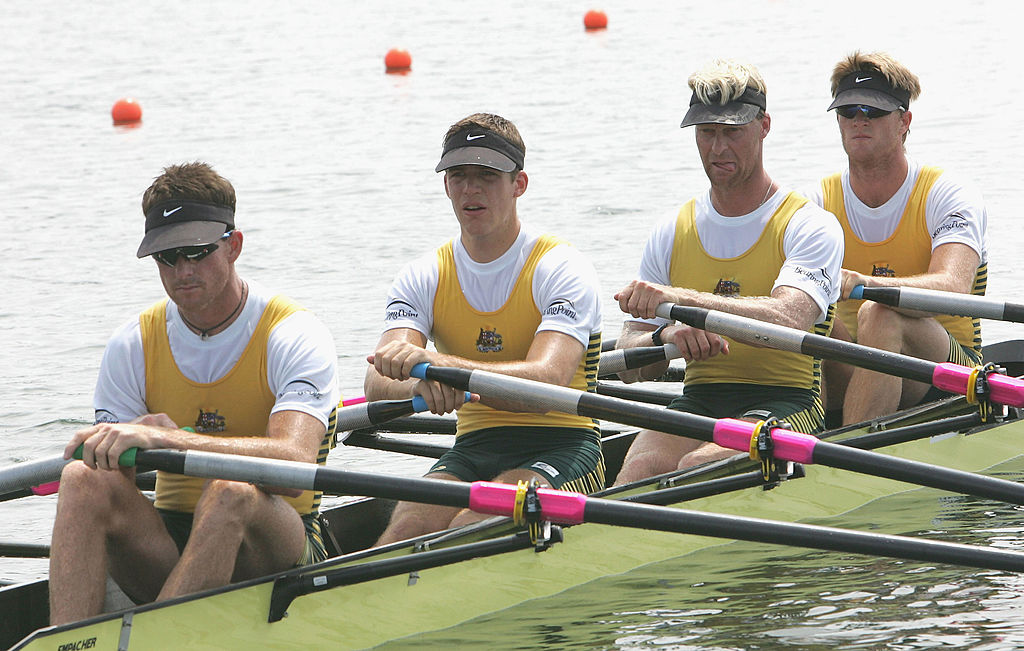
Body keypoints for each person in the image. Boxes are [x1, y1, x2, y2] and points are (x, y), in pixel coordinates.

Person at [48, 162, 341, 625]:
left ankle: (161, 636)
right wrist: (107, 451)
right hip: (168, 543)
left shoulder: (293, 333)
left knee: (231, 490)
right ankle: (67, 639)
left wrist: (173, 439)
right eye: (167, 257)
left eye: (197, 252)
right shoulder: (132, 345)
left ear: (234, 246)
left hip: (278, 543)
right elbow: (112, 482)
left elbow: (296, 467)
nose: (182, 270)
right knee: (83, 479)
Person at [366, 113, 605, 545]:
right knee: (403, 532)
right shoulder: (422, 275)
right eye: (458, 176)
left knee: (467, 526)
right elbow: (377, 377)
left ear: (520, 184)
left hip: (566, 447)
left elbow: (547, 382)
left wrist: (444, 369)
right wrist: (420, 388)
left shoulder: (562, 268)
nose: (470, 190)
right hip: (473, 448)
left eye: (487, 176)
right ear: (445, 186)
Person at [612, 59, 844, 485]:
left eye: (731, 131)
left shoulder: (808, 224)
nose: (717, 148)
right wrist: (665, 335)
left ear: (764, 126)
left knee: (694, 467)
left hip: (789, 401)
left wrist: (684, 302)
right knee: (638, 470)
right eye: (706, 132)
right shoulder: (670, 231)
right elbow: (629, 358)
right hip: (701, 398)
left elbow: (790, 317)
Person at [807, 51, 988, 425]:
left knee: (880, 313)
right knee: (804, 311)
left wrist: (869, 284)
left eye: (872, 111)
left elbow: (953, 287)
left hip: (949, 374)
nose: (859, 121)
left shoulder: (947, 194)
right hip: (854, 368)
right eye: (847, 111)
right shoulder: (815, 204)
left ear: (904, 121)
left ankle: (849, 457)